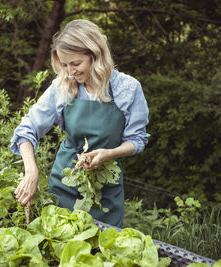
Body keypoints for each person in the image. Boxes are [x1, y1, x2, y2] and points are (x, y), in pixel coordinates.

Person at [10, 19, 149, 228]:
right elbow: (27, 129)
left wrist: (109, 154)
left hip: (106, 189)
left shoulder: (127, 89)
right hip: (64, 184)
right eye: (64, 65)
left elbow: (136, 140)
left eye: (76, 64)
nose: (69, 72)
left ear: (96, 56)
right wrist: (31, 172)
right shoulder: (62, 87)